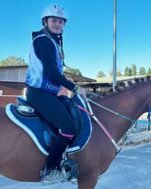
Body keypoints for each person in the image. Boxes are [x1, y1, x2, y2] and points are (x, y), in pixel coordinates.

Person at [25, 4, 80, 182]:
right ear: (45, 22)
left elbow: (56, 73)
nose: (57, 24)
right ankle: (50, 170)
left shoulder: (52, 41)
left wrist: (62, 90)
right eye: (54, 20)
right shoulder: (44, 40)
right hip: (39, 93)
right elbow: (51, 73)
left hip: (49, 92)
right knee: (69, 127)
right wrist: (73, 87)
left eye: (60, 21)